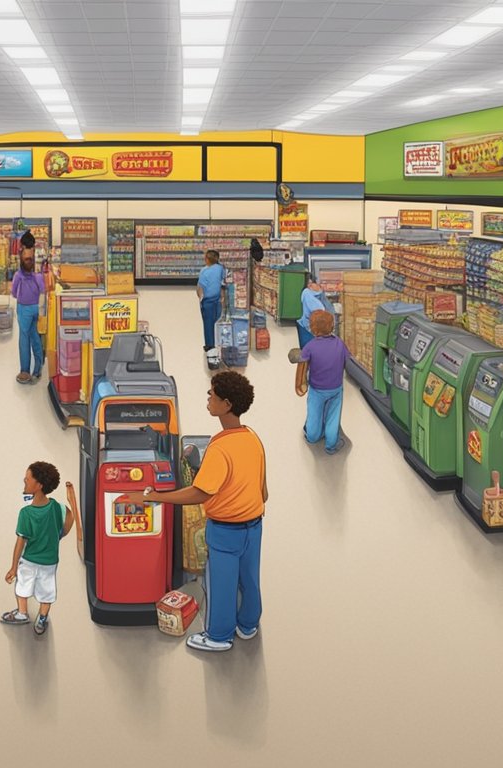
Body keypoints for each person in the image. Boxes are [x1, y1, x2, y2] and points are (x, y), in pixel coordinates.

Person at [123, 371, 266, 653]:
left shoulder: (220, 447)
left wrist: (156, 497)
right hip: (254, 525)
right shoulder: (252, 438)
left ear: (226, 404)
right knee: (249, 578)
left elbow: (200, 492)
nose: (208, 398)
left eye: (212, 394)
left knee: (221, 583)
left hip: (225, 529)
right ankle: (248, 625)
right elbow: (263, 490)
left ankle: (218, 636)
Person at [0, 463, 79, 636]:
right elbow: (70, 520)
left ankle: (22, 613)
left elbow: (20, 542)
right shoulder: (58, 508)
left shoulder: (26, 513)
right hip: (50, 561)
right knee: (46, 591)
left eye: (28, 479)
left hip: (29, 559)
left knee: (23, 586)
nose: (24, 480)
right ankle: (42, 618)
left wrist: (13, 567)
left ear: (39, 486)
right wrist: (57, 536)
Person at [298, 310, 351, 454]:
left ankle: (313, 436)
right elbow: (347, 359)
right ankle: (331, 445)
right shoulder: (340, 344)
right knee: (333, 416)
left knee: (314, 414)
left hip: (316, 389)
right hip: (335, 388)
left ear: (312, 328)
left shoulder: (310, 347)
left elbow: (302, 364)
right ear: (332, 326)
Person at [10, 231, 45, 384]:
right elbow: (43, 290)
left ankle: (24, 370)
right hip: (37, 307)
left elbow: (13, 293)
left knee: (24, 338)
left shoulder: (18, 275)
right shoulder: (38, 274)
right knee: (35, 336)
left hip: (24, 308)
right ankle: (37, 369)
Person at [197, 250, 224, 369]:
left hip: (207, 301)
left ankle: (210, 349)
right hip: (217, 301)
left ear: (207, 259)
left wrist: (200, 297)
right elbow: (223, 283)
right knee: (216, 321)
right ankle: (218, 347)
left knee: (208, 325)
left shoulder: (204, 271)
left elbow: (200, 288)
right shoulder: (220, 269)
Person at [297, 278, 334, 349]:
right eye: (308, 283)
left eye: (312, 283)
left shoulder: (319, 294)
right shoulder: (307, 293)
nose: (310, 285)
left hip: (317, 331)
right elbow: (320, 310)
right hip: (308, 330)